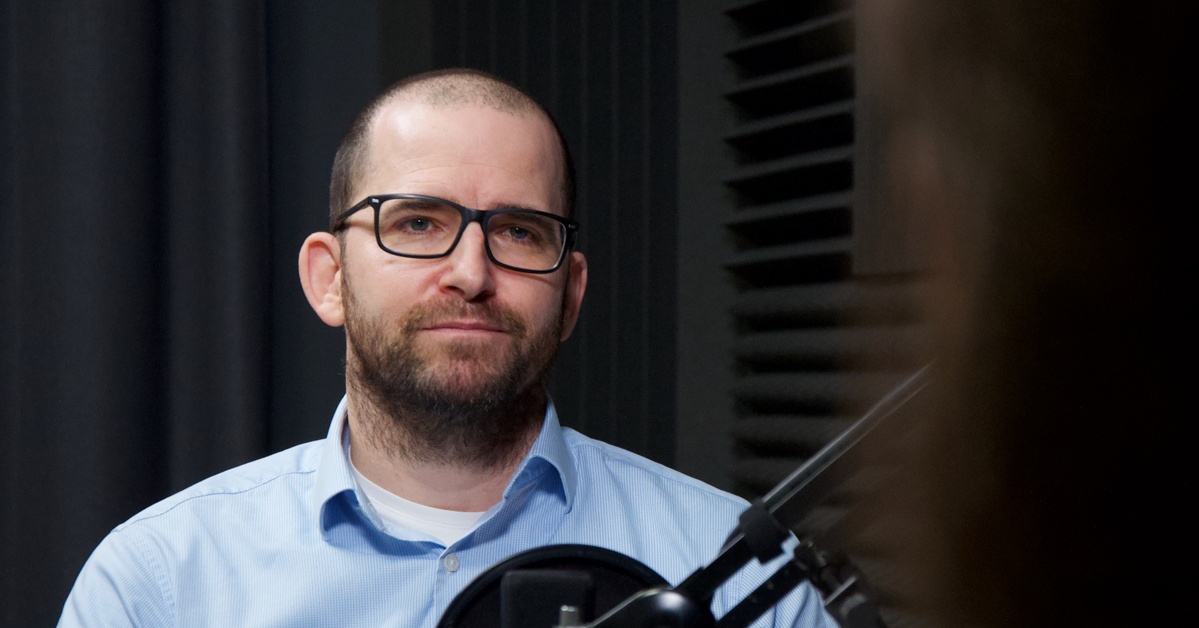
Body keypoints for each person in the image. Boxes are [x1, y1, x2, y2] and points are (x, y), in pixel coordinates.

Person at [57, 69, 834, 628]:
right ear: (330, 279)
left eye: (518, 232)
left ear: (570, 293)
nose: (470, 273)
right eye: (418, 223)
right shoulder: (159, 585)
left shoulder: (740, 575)